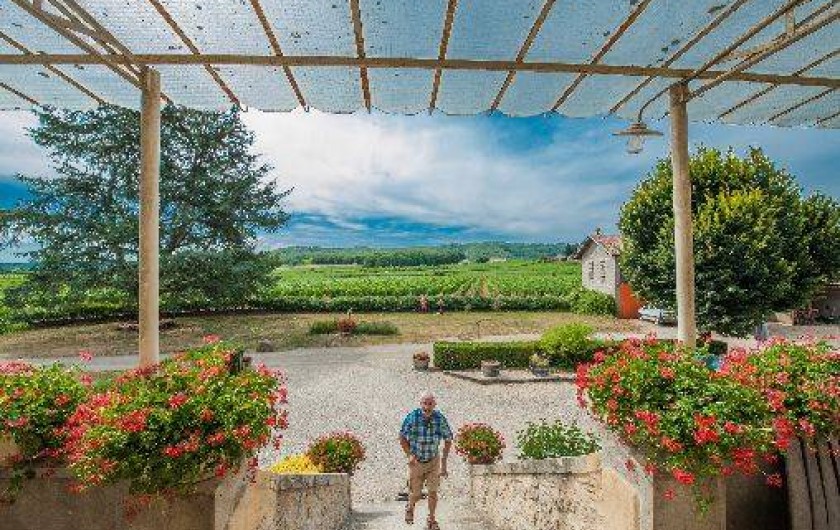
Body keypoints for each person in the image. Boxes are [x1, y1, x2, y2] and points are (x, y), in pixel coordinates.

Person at [399, 393, 453, 530]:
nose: (427, 407)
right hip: (416, 461)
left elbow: (448, 438)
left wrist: (444, 463)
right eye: (425, 403)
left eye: (430, 404)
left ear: (434, 405)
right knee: (415, 494)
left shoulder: (439, 418)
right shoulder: (412, 417)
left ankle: (431, 519)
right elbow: (402, 436)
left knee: (433, 492)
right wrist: (409, 455)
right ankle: (410, 506)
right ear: (420, 404)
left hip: (433, 460)